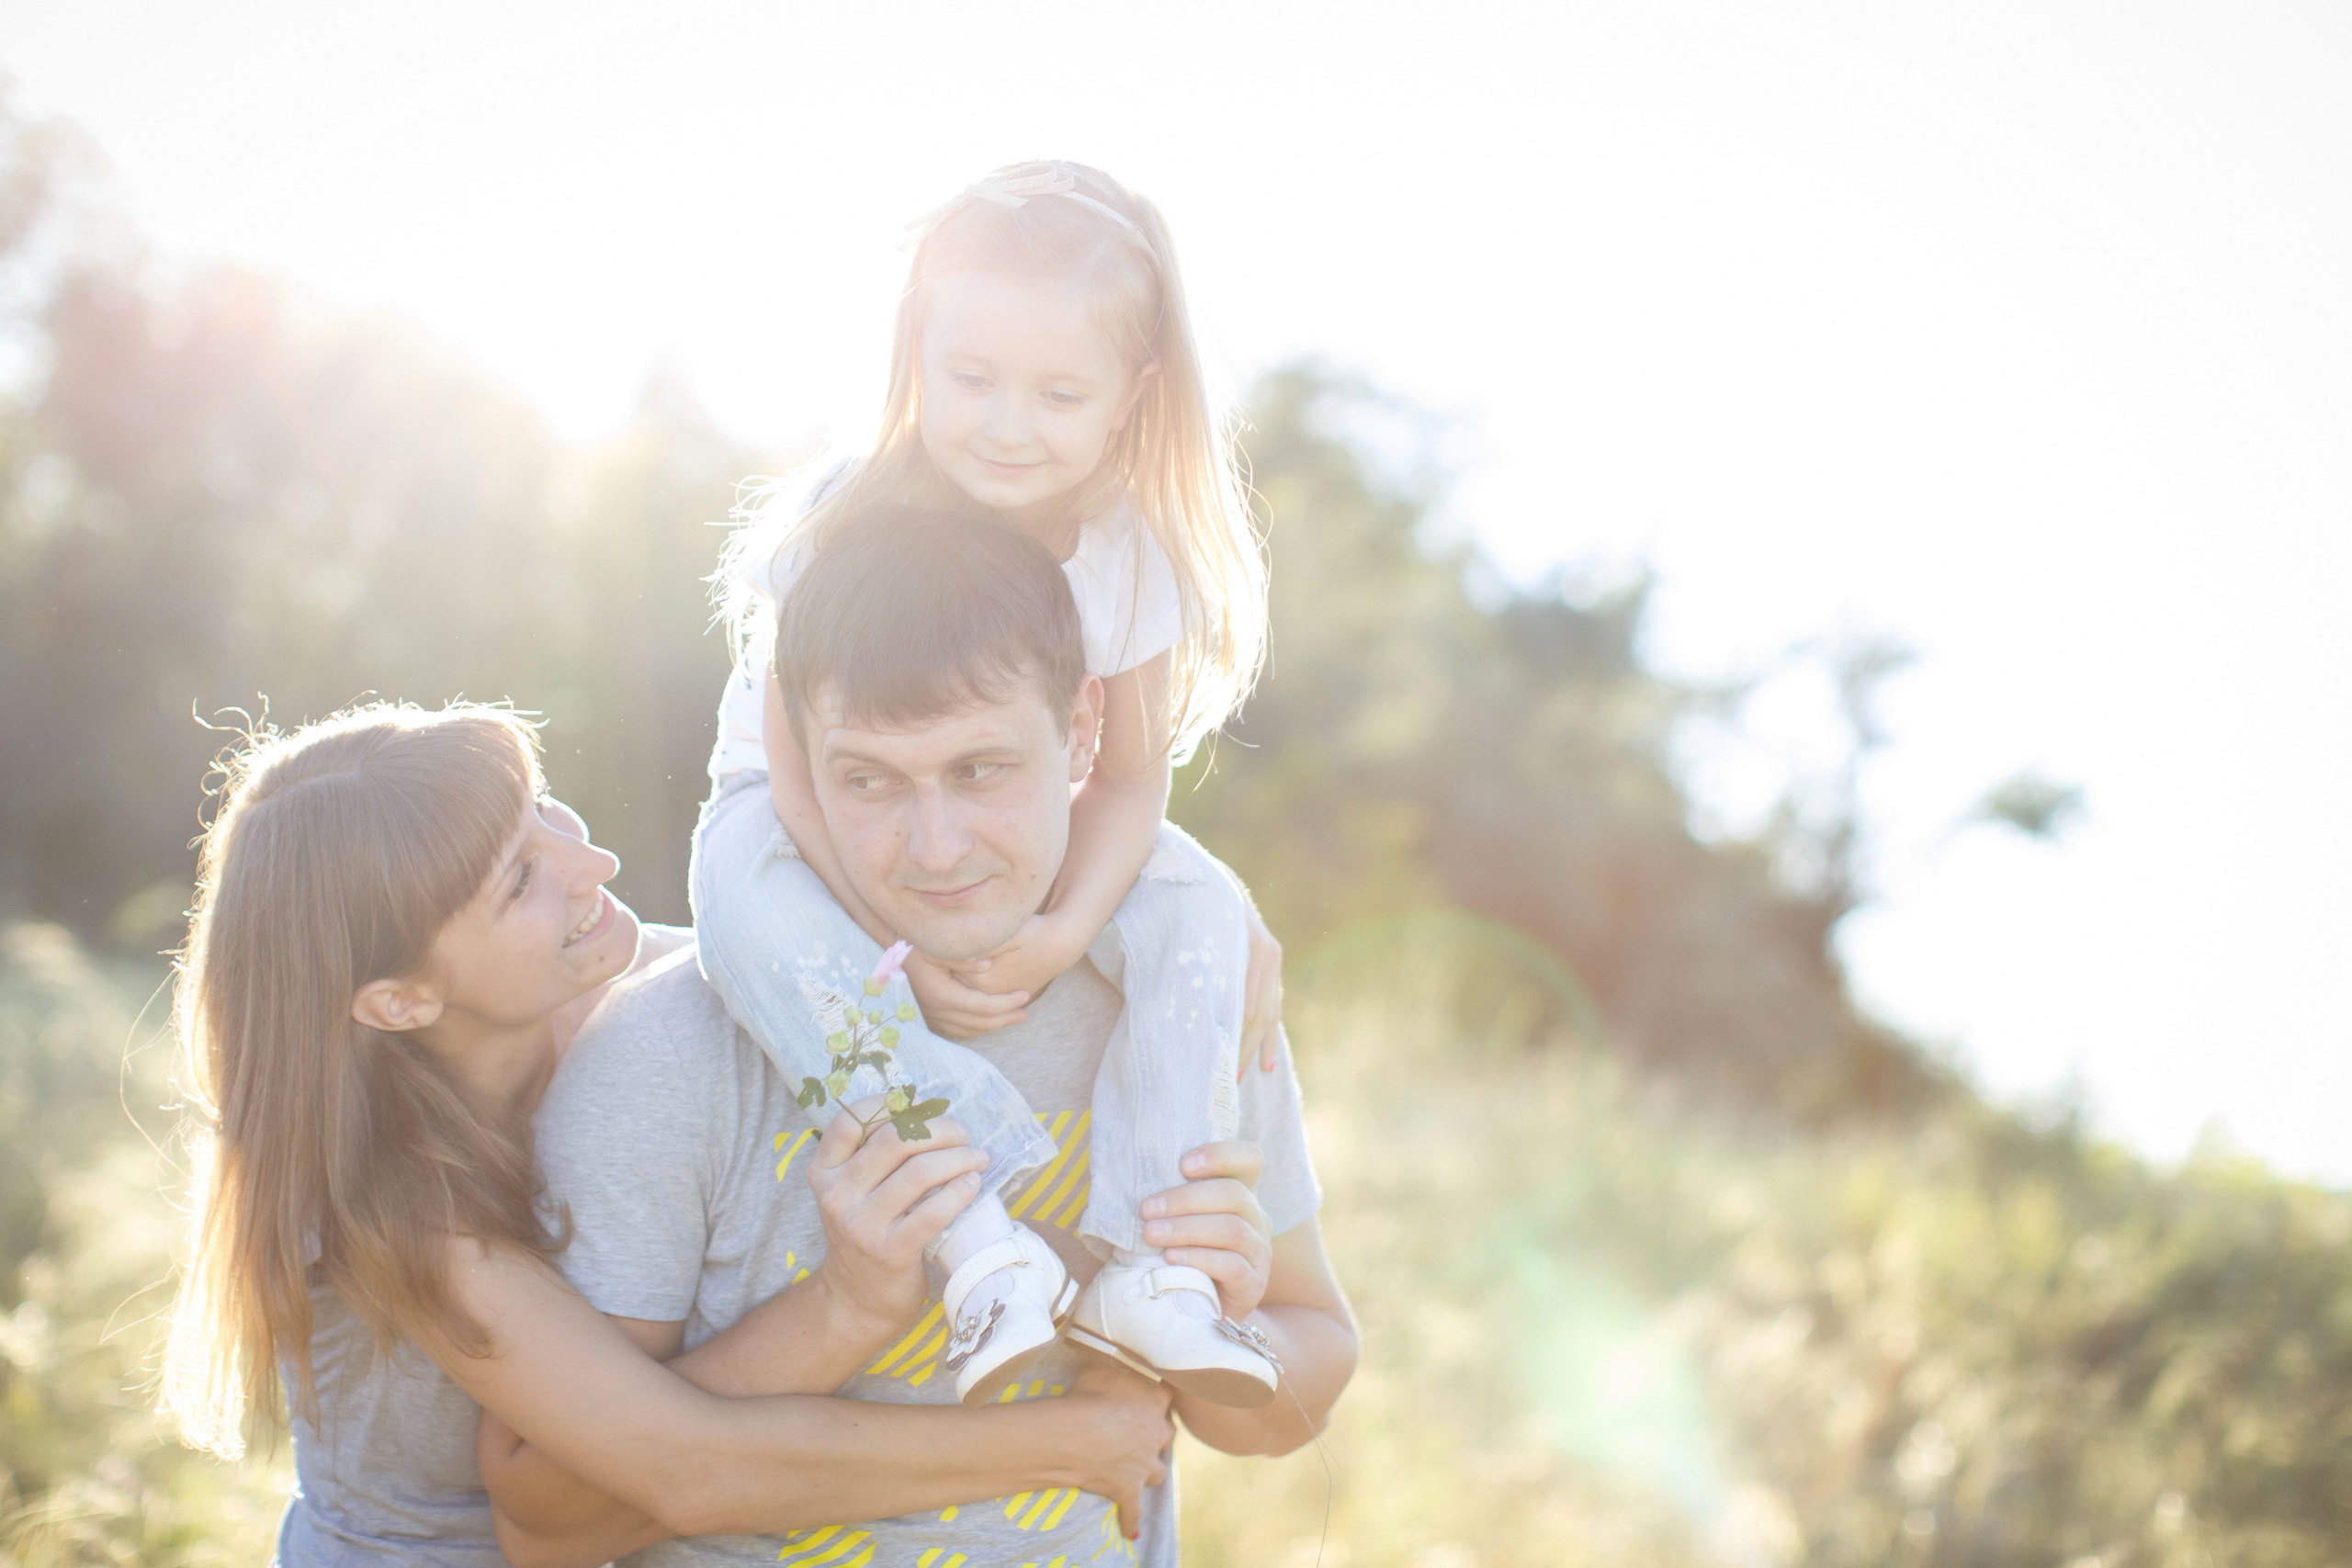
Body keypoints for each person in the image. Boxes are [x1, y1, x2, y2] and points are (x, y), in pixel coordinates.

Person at [490, 507, 1356, 1566]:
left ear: (1085, 729)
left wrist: (1235, 1316)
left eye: (981, 770)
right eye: (869, 782)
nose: (935, 848)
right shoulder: (665, 1053)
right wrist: (845, 1311)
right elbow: (548, 1527)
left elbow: (1284, 1403)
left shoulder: (1180, 1008)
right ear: (798, 766)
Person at [158, 701, 1219, 1564]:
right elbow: (681, 1465)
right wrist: (1059, 1443)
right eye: (519, 880)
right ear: (398, 1002)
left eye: (548, 813)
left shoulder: (618, 994)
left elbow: (809, 960)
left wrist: (1200, 926)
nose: (596, 862)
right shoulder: (394, 1203)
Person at [696, 158, 1285, 1408]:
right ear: (919, 353)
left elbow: (1127, 785)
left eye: (1058, 392)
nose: (1008, 425)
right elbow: (797, 757)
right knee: (737, 896)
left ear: (1132, 395)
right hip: (806, 816)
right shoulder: (838, 516)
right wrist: (868, 907)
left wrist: (1062, 927)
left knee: (1205, 909)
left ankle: (1155, 1261)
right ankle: (975, 1236)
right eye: (973, 381)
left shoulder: (1128, 556)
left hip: (1029, 821)